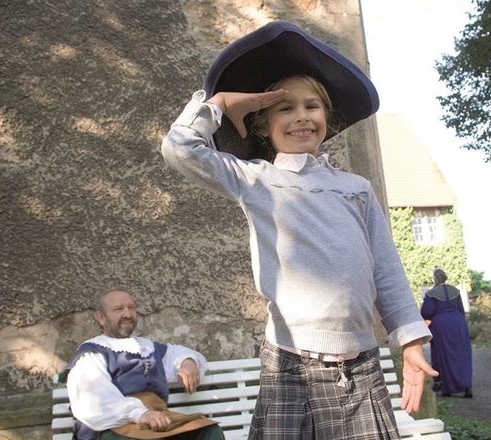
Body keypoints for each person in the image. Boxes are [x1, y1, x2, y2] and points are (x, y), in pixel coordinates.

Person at [161, 21, 437, 440]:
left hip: (362, 366)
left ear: (327, 115)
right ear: (261, 124)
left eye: (312, 105)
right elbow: (179, 149)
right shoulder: (255, 179)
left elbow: (386, 268)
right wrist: (217, 104)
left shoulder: (356, 190)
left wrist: (410, 343)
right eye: (285, 108)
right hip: (291, 364)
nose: (301, 116)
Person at [60, 290, 225, 440]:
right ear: (101, 317)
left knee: (209, 431)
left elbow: (177, 354)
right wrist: (141, 414)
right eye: (119, 309)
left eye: (131, 308)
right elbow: (94, 400)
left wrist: (188, 362)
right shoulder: (91, 352)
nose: (127, 314)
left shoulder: (147, 347)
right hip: (115, 427)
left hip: (158, 422)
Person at [420, 267, 473, 398]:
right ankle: (466, 385)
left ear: (435, 278)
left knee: (443, 354)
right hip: (458, 322)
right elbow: (461, 309)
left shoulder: (431, 294)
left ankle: (446, 387)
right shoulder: (455, 291)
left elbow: (426, 312)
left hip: (441, 325)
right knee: (462, 353)